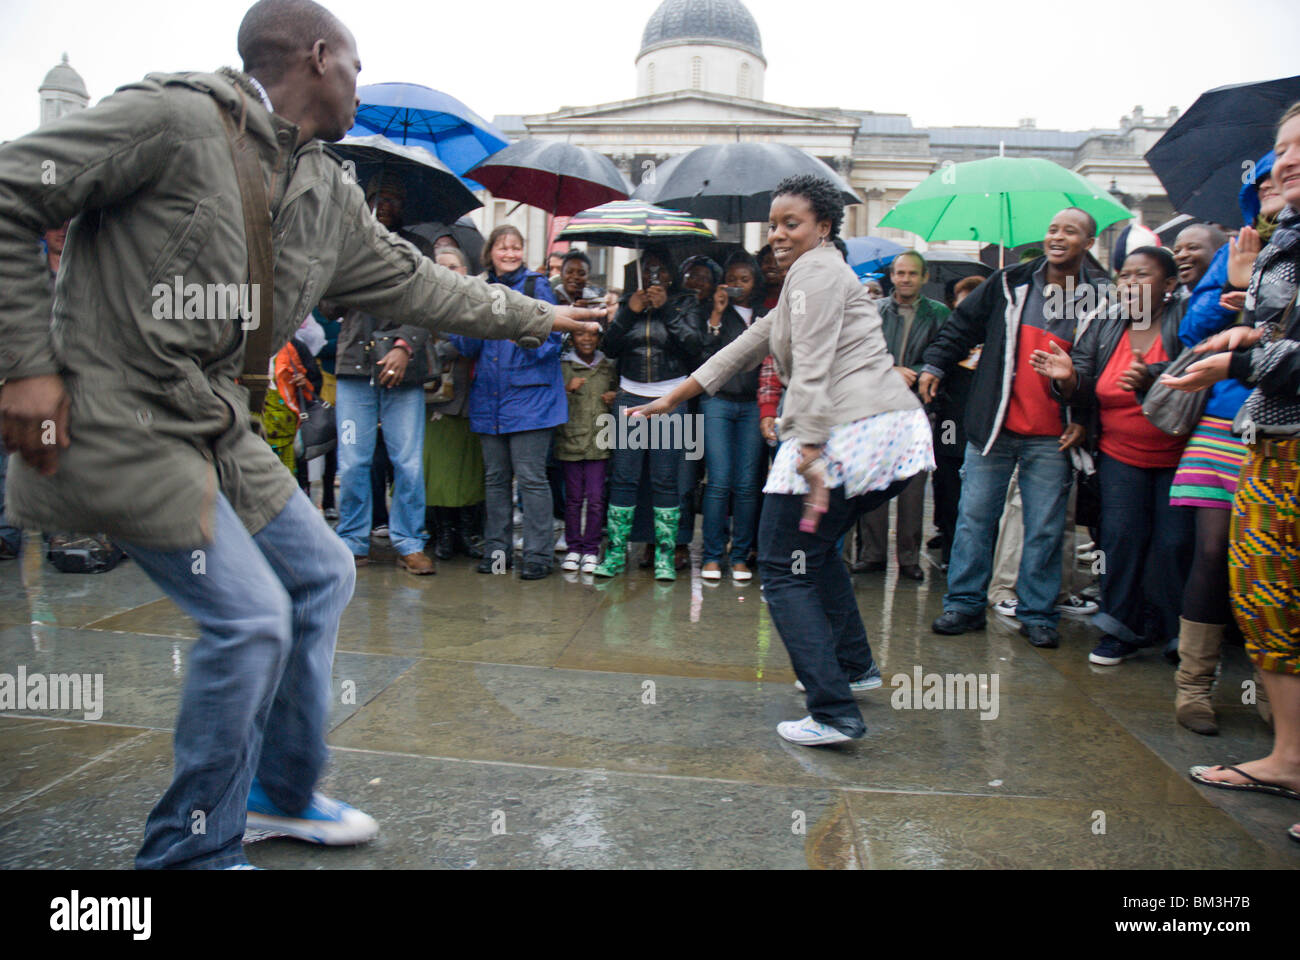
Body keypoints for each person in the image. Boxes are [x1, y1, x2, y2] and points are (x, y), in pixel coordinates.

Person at [0, 0, 600, 869]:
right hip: (117, 410)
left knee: (320, 574)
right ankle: (189, 852)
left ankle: (278, 793)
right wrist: (24, 365)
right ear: (320, 57)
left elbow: (422, 288)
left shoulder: (326, 188)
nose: (361, 79)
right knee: (250, 621)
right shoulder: (171, 119)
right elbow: (12, 190)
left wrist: (537, 314)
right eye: (356, 62)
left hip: (213, 417)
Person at [633, 175, 931, 746]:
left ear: (823, 226)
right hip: (886, 435)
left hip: (845, 433)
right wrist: (680, 392)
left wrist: (813, 450)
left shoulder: (817, 272)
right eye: (772, 225)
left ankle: (834, 712)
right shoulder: (810, 275)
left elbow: (814, 360)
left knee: (781, 565)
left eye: (790, 223)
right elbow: (753, 342)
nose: (776, 235)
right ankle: (853, 668)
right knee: (811, 557)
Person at [1165, 102, 1300, 848]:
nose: (1285, 160)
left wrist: (1244, 356)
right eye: (1280, 149)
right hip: (1269, 437)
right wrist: (1246, 311)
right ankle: (1288, 756)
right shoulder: (1280, 238)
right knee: (1263, 588)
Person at [919, 208, 1110, 649]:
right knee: (973, 519)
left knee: (1043, 527)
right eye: (1053, 228)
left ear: (1087, 243)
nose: (1058, 236)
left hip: (1053, 436)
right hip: (993, 428)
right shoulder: (1009, 282)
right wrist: (934, 363)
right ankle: (964, 604)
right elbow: (962, 325)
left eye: (1071, 231)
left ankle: (1038, 612)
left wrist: (1082, 417)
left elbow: (1102, 366)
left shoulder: (1102, 296)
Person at [1032, 246, 1193, 664]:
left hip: (1181, 456)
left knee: (1173, 544)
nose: (1130, 284)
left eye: (1143, 276)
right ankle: (1120, 628)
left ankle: (1180, 635)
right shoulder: (1104, 322)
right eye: (1125, 276)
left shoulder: (1187, 321)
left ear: (1170, 286)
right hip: (1120, 453)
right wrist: (1067, 380)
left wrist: (1152, 376)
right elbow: (1084, 383)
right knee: (1120, 539)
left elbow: (1202, 373)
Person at [1168, 166, 1282, 735]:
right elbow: (1193, 332)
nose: (1273, 185)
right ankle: (1194, 685)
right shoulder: (1242, 245)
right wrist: (1236, 286)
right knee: (1213, 554)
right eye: (1262, 180)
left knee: (1276, 566)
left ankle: (1273, 692)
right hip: (1225, 422)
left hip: (1286, 426)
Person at [449, 224, 566, 581]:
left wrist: (527, 339)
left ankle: (538, 555)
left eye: (516, 247)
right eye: (503, 247)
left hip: (531, 399)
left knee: (531, 479)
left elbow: (556, 336)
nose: (510, 254)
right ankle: (498, 554)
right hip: (490, 398)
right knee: (496, 479)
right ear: (491, 252)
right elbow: (464, 344)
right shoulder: (478, 288)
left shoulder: (537, 285)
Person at [333, 175, 436, 575]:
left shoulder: (418, 248)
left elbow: (432, 304)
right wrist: (350, 269)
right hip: (354, 365)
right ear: (367, 200)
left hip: (404, 369)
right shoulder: (347, 242)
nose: (386, 203)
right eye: (379, 196)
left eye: (394, 196)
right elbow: (327, 306)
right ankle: (352, 540)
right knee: (354, 461)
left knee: (408, 462)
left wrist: (403, 345)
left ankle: (409, 542)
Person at [596, 247, 705, 581]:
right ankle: (615, 554)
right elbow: (609, 348)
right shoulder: (629, 302)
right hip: (629, 396)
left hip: (670, 399)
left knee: (665, 479)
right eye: (647, 270)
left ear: (670, 275)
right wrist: (628, 312)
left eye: (659, 270)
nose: (653, 276)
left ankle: (665, 556)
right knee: (625, 476)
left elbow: (694, 346)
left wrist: (666, 309)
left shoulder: (684, 302)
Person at [852, 251, 949, 581]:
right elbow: (858, 353)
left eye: (912, 273)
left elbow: (946, 354)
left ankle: (909, 558)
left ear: (924, 278)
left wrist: (917, 371)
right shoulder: (874, 311)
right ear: (891, 276)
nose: (905, 278)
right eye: (899, 273)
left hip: (918, 408)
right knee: (875, 482)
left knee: (911, 487)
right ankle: (873, 554)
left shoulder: (937, 313)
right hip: (876, 407)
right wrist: (890, 369)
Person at [698, 252, 767, 582]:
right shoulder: (716, 311)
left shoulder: (765, 314)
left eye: (745, 279)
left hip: (753, 405)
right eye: (732, 279)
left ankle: (739, 556)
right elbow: (702, 352)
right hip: (718, 403)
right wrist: (717, 311)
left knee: (746, 484)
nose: (738, 285)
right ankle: (712, 555)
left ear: (755, 283)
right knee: (719, 480)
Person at [423, 247, 487, 561]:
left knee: (470, 472)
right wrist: (455, 345)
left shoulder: (479, 298)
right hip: (438, 399)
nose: (447, 271)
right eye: (441, 266)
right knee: (440, 473)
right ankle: (444, 534)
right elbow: (425, 344)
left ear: (465, 269)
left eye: (453, 265)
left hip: (476, 398)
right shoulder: (425, 301)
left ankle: (467, 532)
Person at [928, 275, 984, 567]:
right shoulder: (950, 336)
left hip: (983, 431)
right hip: (950, 426)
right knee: (949, 492)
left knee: (978, 501)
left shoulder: (998, 337)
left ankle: (976, 559)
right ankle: (951, 554)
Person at [556, 326, 617, 573]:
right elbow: (549, 399)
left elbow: (621, 393)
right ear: (571, 339)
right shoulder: (562, 368)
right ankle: (573, 547)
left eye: (592, 335)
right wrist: (566, 389)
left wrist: (615, 396)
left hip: (599, 442)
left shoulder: (608, 367)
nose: (587, 339)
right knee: (572, 499)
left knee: (595, 499)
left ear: (600, 339)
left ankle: (591, 549)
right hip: (570, 439)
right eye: (581, 334)